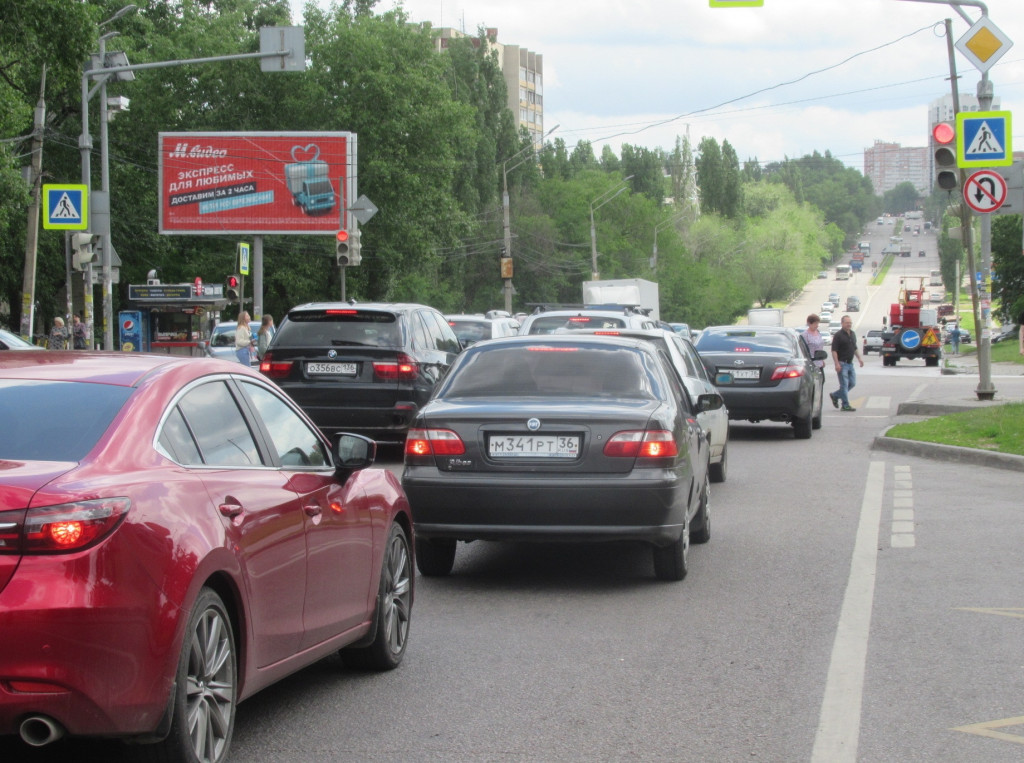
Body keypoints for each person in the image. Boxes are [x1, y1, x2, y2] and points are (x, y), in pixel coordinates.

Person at [829, 314, 863, 412]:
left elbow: (854, 347)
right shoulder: (838, 335)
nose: (849, 324)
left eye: (850, 323)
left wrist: (859, 358)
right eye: (847, 323)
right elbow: (834, 350)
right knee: (844, 385)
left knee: (852, 383)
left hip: (850, 364)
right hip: (842, 363)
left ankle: (835, 395)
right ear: (842, 323)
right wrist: (836, 364)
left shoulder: (852, 334)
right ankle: (845, 405)